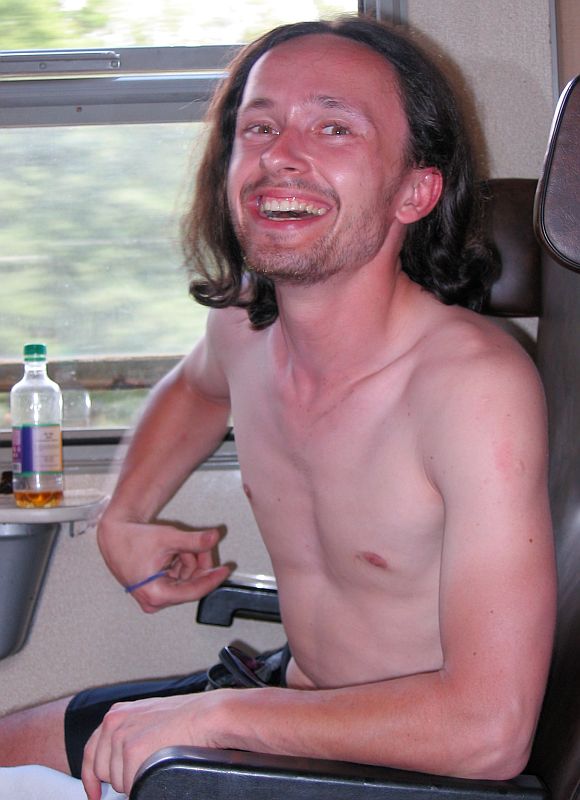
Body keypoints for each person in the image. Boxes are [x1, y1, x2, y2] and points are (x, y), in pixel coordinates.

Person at [0, 15, 556, 800]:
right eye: (259, 127)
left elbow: (488, 732)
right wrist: (125, 514)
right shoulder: (244, 328)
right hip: (286, 699)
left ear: (414, 191)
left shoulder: (471, 388)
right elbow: (195, 390)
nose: (279, 156)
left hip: (401, 767)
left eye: (334, 128)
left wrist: (218, 717)